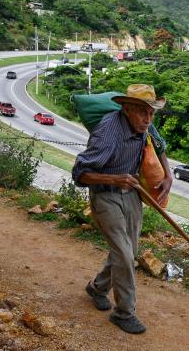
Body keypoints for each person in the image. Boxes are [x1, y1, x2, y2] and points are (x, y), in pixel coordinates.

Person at [72, 84, 171, 334]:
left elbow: (159, 147)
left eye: (151, 113)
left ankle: (97, 288)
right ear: (126, 109)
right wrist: (116, 179)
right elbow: (80, 173)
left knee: (129, 252)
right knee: (125, 255)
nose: (148, 119)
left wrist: (168, 176)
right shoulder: (108, 132)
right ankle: (124, 313)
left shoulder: (145, 123)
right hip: (106, 196)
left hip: (132, 194)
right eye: (141, 112)